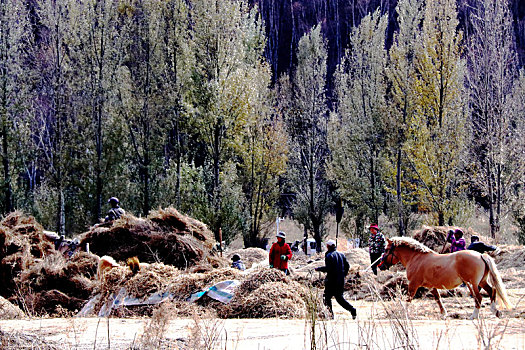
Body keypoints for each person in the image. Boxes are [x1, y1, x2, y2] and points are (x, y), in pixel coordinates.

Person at [315, 239, 357, 319]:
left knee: (326, 297)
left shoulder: (328, 255)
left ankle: (330, 315)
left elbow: (329, 268)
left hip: (331, 280)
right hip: (340, 280)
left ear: (328, 247)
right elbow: (347, 266)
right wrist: (343, 275)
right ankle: (352, 310)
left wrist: (319, 269)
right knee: (339, 298)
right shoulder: (341, 254)